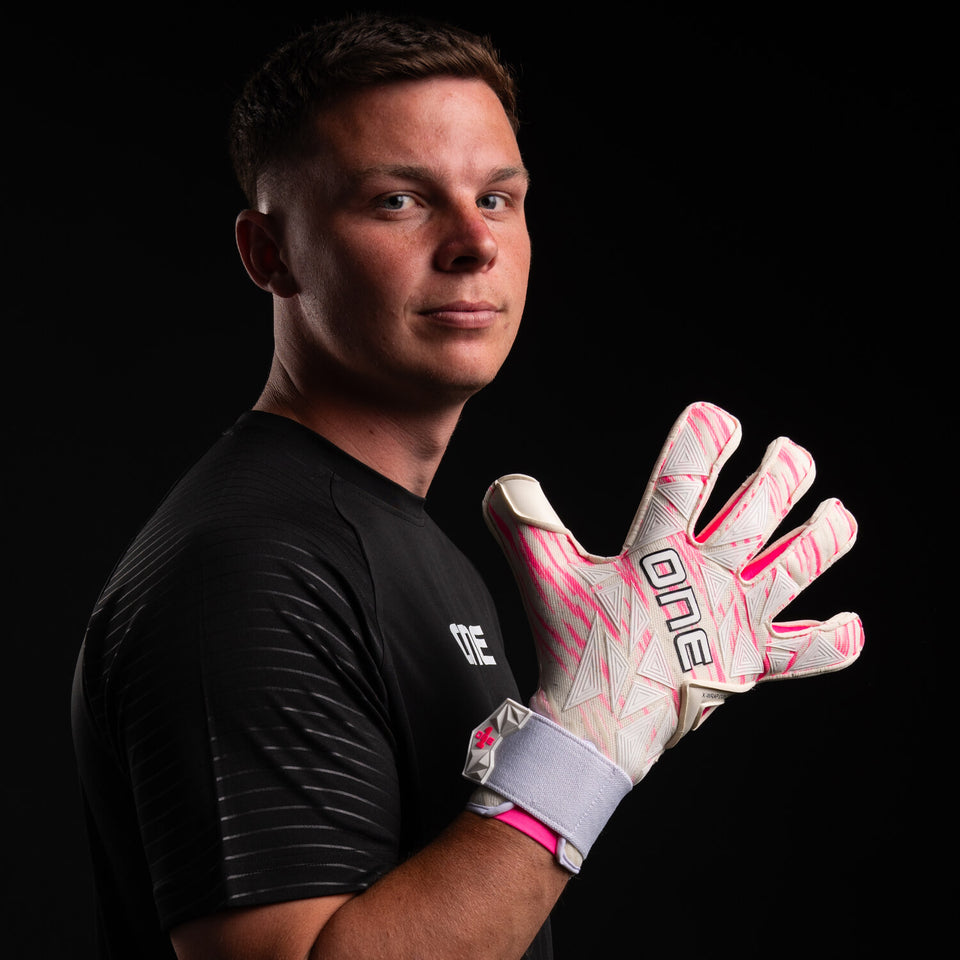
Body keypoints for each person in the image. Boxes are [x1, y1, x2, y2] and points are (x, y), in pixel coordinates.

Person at [72, 13, 863, 960]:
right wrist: (588, 742)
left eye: (496, 197)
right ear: (268, 254)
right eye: (398, 201)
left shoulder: (398, 545)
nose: (473, 243)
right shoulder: (250, 568)